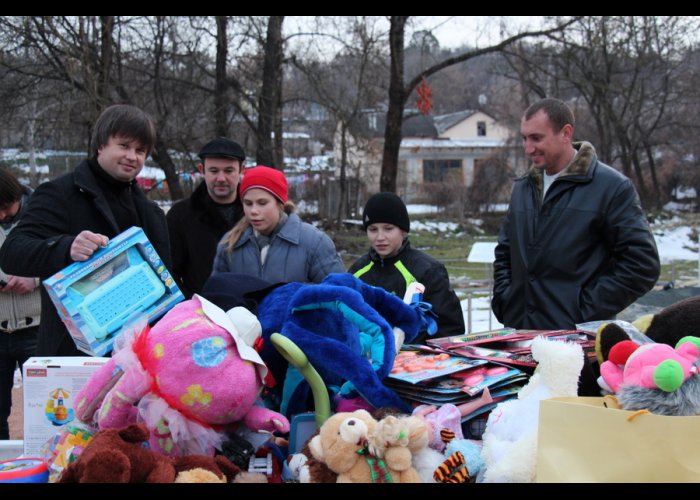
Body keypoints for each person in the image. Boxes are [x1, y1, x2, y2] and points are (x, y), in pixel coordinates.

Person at [0, 104, 170, 357]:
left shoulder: (151, 212)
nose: (132, 157)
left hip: (138, 356)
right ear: (101, 145)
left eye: (140, 150)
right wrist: (67, 248)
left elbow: (167, 284)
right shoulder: (59, 193)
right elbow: (12, 253)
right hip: (75, 355)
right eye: (124, 146)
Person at [492, 97, 660, 330]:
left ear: (566, 133)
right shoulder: (523, 187)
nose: (528, 148)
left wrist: (583, 311)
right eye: (524, 138)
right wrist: (505, 300)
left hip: (576, 345)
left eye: (537, 138)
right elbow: (505, 252)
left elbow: (642, 266)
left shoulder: (611, 188)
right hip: (520, 335)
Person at [348, 192, 465, 343]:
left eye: (388, 228)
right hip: (368, 363)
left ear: (403, 230)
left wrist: (419, 357)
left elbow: (451, 330)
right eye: (373, 229)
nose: (380, 237)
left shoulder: (428, 270)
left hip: (418, 363)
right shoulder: (356, 272)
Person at [211, 165, 344, 283]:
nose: (253, 211)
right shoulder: (230, 244)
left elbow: (341, 295)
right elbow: (216, 299)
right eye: (248, 203)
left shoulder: (315, 242)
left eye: (262, 203)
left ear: (280, 203)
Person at [167, 137, 245, 297]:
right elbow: (169, 272)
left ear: (241, 170)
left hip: (252, 312)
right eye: (214, 171)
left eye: (229, 171)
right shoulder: (180, 215)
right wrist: (190, 307)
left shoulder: (256, 214)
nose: (221, 178)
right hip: (201, 313)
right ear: (202, 170)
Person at [0, 169, 41, 439]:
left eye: (5, 208)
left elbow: (66, 259)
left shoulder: (42, 216)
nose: (2, 216)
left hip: (37, 328)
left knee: (43, 409)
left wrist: (34, 279)